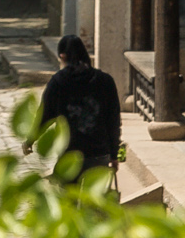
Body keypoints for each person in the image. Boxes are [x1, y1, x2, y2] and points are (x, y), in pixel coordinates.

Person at [37, 35, 122, 173]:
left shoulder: (58, 83)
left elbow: (45, 114)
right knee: (95, 194)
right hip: (99, 153)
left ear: (63, 57)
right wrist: (114, 154)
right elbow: (113, 120)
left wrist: (30, 140)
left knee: (68, 194)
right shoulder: (105, 81)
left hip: (69, 154)